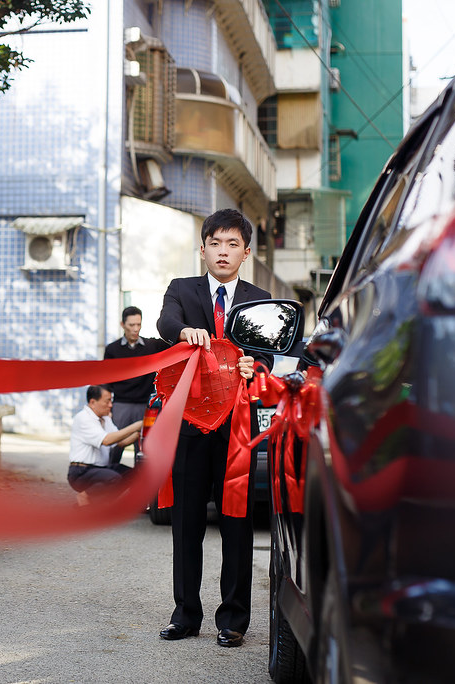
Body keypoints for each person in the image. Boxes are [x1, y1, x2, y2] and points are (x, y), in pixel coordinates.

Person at [155, 208, 273, 648]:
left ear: (246, 252)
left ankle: (234, 620)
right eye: (215, 243)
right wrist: (185, 330)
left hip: (236, 428)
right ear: (202, 248)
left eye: (232, 244)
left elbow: (267, 355)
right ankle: (185, 614)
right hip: (190, 423)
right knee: (186, 522)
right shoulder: (181, 291)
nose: (223, 252)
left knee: (236, 523)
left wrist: (253, 363)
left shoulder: (261, 299)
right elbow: (165, 322)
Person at [102, 306, 168, 466]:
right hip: (120, 406)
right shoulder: (112, 349)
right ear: (122, 324)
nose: (135, 329)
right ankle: (107, 481)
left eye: (138, 324)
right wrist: (107, 409)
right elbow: (106, 380)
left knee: (143, 449)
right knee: (114, 449)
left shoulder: (152, 346)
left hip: (145, 406)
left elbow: (175, 344)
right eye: (131, 325)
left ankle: (139, 487)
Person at [67, 385, 143, 505]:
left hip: (100, 469)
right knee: (113, 478)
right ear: (93, 402)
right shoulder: (83, 418)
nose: (110, 405)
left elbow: (120, 442)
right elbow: (107, 440)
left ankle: (100, 503)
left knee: (133, 474)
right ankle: (84, 497)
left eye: (111, 401)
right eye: (107, 401)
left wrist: (141, 432)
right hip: (81, 472)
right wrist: (137, 425)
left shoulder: (105, 419)